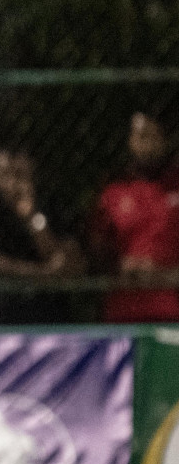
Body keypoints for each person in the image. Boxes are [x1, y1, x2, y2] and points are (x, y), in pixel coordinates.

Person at [0, 145, 85, 324]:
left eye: (19, 174)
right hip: (4, 320)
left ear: (31, 172)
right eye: (5, 175)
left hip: (51, 318)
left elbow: (69, 265)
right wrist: (45, 274)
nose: (13, 183)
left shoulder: (52, 205)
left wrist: (31, 216)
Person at [90, 110, 179, 323]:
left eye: (153, 135)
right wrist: (122, 266)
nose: (146, 144)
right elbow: (95, 253)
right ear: (130, 141)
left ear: (164, 140)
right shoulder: (113, 191)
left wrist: (168, 273)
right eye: (140, 136)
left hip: (172, 311)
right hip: (124, 312)